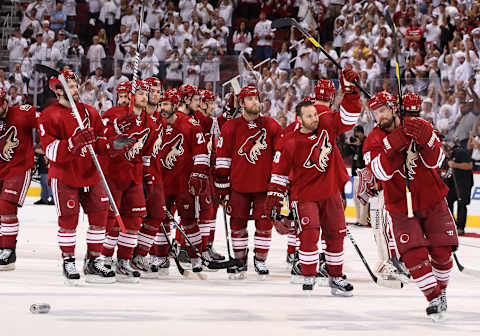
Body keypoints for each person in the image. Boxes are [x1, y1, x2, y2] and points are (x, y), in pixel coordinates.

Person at [362, 91, 458, 321]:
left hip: (431, 197)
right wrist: (393, 145)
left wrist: (428, 140)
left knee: (442, 250)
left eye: (383, 110)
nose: (379, 116)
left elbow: (436, 162)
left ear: (394, 108)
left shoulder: (418, 126)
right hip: (400, 205)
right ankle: (433, 298)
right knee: (413, 254)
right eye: (375, 112)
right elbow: (380, 172)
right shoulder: (372, 140)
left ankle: (441, 291)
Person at [265, 69, 361, 294]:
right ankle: (307, 275)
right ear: (299, 118)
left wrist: (351, 90)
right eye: (310, 115)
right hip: (305, 193)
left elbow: (349, 117)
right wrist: (275, 199)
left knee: (336, 233)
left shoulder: (327, 123)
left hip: (329, 192)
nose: (316, 116)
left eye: (316, 113)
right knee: (309, 233)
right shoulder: (291, 140)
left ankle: (334, 276)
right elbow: (279, 172)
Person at [38, 71, 123, 284]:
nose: (75, 90)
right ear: (58, 91)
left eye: (76, 85)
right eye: (69, 86)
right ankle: (68, 260)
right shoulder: (49, 115)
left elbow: (100, 143)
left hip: (91, 172)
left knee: (99, 218)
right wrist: (73, 143)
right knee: (69, 220)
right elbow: (51, 151)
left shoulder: (90, 112)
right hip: (65, 175)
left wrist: (114, 144)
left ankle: (93, 261)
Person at [215, 85, 282, 280]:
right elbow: (223, 158)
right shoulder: (231, 127)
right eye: (250, 99)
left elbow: (280, 156)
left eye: (257, 98)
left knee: (264, 224)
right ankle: (240, 261)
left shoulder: (271, 125)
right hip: (238, 186)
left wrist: (279, 183)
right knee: (237, 224)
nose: (255, 102)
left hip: (265, 187)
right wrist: (222, 184)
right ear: (241, 103)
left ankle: (260, 261)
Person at [100, 80, 159, 282]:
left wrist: (148, 179)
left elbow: (146, 155)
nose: (144, 96)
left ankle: (124, 260)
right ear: (132, 96)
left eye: (146, 93)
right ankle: (105, 258)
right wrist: (120, 133)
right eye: (140, 93)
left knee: (134, 219)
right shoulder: (113, 115)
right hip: (113, 175)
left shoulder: (150, 123)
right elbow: (107, 147)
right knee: (112, 220)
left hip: (133, 176)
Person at [149, 88, 209, 276]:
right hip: (162, 184)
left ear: (175, 104)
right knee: (160, 221)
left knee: (189, 221)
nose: (162, 108)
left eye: (166, 104)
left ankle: (196, 256)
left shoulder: (191, 126)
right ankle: (159, 257)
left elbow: (201, 154)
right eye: (160, 104)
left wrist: (198, 175)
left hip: (184, 184)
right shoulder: (155, 126)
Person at [0, 89, 37, 271]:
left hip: (19, 167)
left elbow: (46, 123)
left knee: (6, 206)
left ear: (5, 102)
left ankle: (8, 250)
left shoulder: (23, 113)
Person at [445, 142, 473, 235]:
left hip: (464, 183)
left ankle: (460, 227)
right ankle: (451, 224)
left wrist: (455, 165)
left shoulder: (460, 152)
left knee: (462, 204)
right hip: (452, 183)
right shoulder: (446, 157)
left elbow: (470, 166)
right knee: (448, 202)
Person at [344, 125, 368, 226]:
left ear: (363, 133)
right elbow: (345, 153)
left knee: (363, 198)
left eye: (359, 133)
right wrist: (348, 144)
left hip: (364, 174)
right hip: (355, 174)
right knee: (355, 197)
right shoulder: (354, 143)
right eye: (355, 133)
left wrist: (360, 145)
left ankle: (363, 220)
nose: (357, 135)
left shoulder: (366, 142)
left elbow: (365, 155)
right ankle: (358, 219)